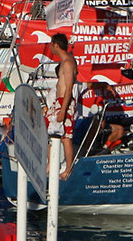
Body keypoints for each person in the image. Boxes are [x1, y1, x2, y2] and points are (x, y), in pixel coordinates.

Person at [46, 34, 78, 180]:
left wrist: (63, 110)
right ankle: (50, 163)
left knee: (66, 137)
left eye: (51, 45)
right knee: (46, 129)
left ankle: (69, 169)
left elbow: (69, 88)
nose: (50, 48)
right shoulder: (66, 60)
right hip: (58, 101)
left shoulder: (67, 62)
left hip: (65, 102)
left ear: (56, 45)